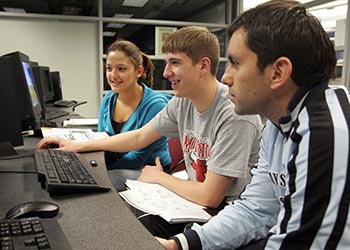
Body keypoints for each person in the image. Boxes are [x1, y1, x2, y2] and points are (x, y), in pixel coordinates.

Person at [157, 1, 350, 249]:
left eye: (236, 63)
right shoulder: (279, 124)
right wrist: (179, 245)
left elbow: (303, 243)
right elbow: (256, 210)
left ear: (278, 73)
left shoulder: (325, 134)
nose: (226, 77)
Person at [36, 26, 262, 237]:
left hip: (230, 213)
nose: (166, 73)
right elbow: (140, 136)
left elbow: (211, 196)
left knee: (135, 232)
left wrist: (160, 178)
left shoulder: (234, 113)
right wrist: (76, 146)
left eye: (175, 63)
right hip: (196, 204)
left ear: (203, 66)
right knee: (126, 226)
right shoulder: (183, 102)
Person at [99, 39, 171, 191]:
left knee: (98, 184)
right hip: (119, 166)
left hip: (149, 170)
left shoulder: (154, 105)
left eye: (121, 69)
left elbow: (136, 159)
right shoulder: (108, 99)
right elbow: (102, 141)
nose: (113, 75)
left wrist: (100, 172)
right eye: (109, 68)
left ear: (138, 71)